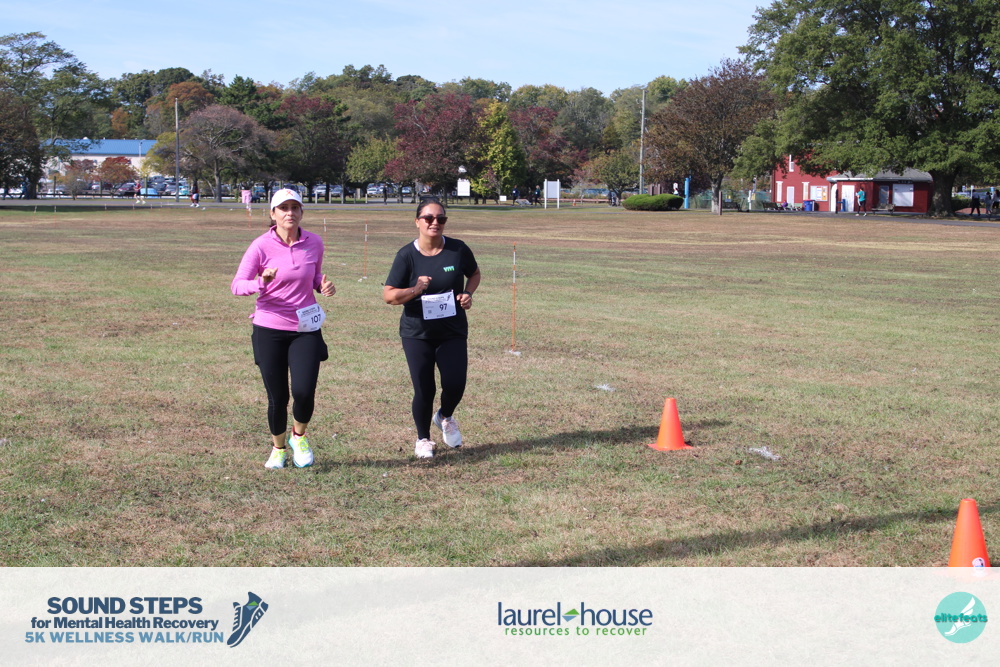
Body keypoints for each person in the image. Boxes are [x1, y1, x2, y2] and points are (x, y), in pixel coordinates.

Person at [231, 188, 336, 469]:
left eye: (295, 207)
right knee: (278, 396)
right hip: (269, 328)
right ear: (273, 213)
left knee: (304, 390)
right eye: (283, 208)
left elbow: (314, 277)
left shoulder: (314, 242)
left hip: (305, 327)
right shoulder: (260, 246)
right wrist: (261, 282)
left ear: (301, 212)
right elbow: (237, 285)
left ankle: (298, 436)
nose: (290, 213)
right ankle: (278, 448)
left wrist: (323, 286)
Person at [383, 197, 482, 459]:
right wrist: (415, 289)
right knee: (424, 388)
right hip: (417, 333)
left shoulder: (458, 249)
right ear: (417, 222)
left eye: (440, 218)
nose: (434, 222)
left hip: (452, 330)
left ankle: (445, 416)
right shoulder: (406, 255)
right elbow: (389, 296)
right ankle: (423, 439)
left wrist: (468, 294)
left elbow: (474, 273)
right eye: (428, 218)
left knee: (455, 384)